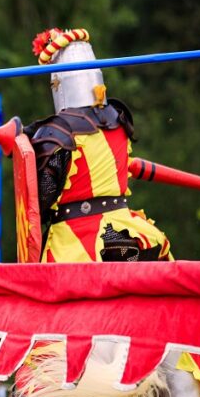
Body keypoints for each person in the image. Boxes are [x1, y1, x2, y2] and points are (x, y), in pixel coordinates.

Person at [28, 28, 172, 263]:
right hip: (128, 232)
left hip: (78, 244)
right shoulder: (118, 118)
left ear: (58, 84)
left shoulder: (57, 132)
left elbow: (40, 201)